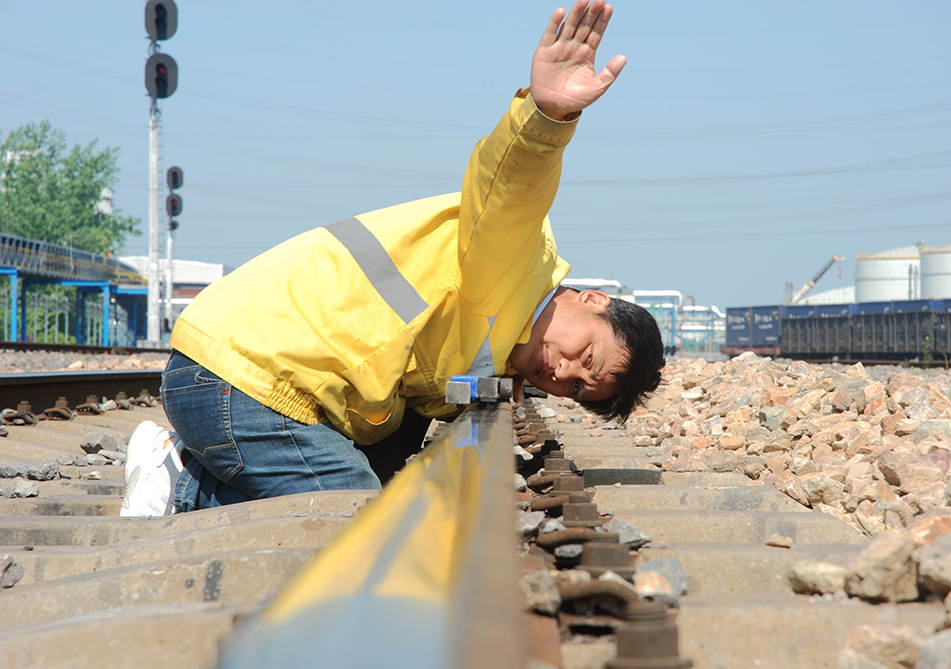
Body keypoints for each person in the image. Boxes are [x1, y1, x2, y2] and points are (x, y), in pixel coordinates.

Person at [120, 0, 664, 516]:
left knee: (386, 479)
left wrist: (490, 379)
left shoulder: (497, 336)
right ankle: (179, 484)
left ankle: (191, 469)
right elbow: (509, 189)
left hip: (238, 374)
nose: (562, 372)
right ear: (593, 301)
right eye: (585, 356)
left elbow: (426, 376)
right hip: (237, 381)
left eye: (575, 387)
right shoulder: (516, 256)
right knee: (355, 513)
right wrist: (547, 116)